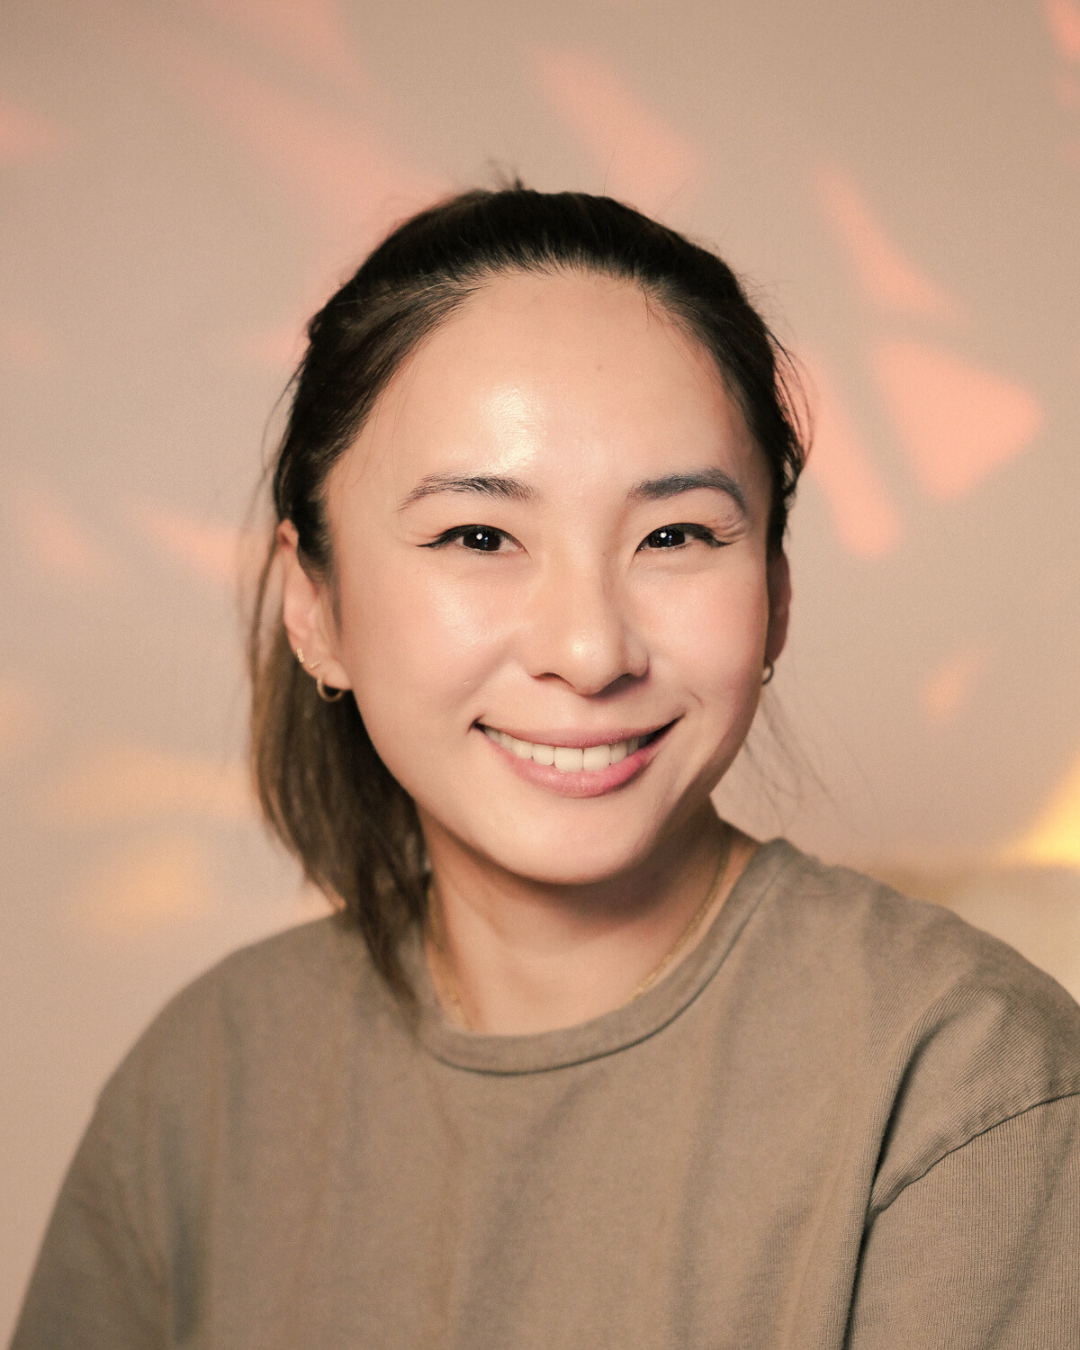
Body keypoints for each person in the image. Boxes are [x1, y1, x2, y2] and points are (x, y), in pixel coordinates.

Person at [12, 187, 1080, 1349]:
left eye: (675, 536)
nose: (588, 651)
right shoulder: (204, 1081)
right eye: (478, 537)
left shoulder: (964, 1083)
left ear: (774, 596)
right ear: (314, 606)